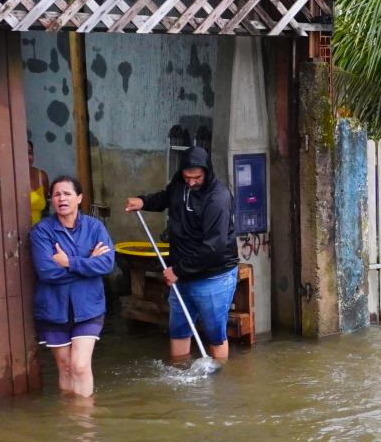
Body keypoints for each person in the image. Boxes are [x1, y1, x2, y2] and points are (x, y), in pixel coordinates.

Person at [124, 145, 237, 362]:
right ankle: (179, 372)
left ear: (207, 172)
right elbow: (166, 197)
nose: (191, 182)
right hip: (182, 275)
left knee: (215, 334)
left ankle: (221, 377)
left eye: (197, 178)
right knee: (179, 330)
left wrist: (178, 270)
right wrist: (144, 201)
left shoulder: (217, 198)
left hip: (213, 276)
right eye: (187, 177)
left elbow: (214, 247)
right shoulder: (179, 185)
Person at [29, 176, 115, 396]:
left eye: (67, 193)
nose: (61, 199)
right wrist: (88, 262)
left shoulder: (95, 227)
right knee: (66, 367)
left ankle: (85, 416)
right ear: (51, 200)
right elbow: (47, 271)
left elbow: (106, 264)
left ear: (79, 198)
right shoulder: (41, 231)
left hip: (88, 307)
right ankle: (70, 414)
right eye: (56, 195)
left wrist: (70, 262)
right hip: (53, 308)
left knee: (80, 365)